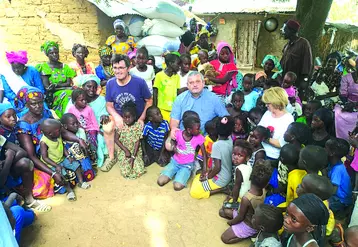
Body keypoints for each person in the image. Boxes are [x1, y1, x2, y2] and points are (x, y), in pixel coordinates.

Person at [16, 86, 87, 196]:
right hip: (44, 159)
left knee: (78, 152)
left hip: (57, 147)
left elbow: (62, 131)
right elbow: (32, 156)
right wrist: (53, 173)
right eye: (33, 104)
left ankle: (80, 178)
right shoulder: (23, 125)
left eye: (40, 102)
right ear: (26, 104)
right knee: (53, 182)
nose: (38, 106)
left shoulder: (46, 113)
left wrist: (79, 139)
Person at [102, 54, 152, 172]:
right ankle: (111, 157)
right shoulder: (110, 83)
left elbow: (149, 101)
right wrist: (117, 117)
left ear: (129, 68)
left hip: (136, 117)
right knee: (107, 127)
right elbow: (109, 105)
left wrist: (142, 117)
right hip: (121, 116)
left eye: (121, 68)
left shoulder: (139, 82)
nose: (118, 71)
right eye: (115, 68)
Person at [0, 103, 52, 212]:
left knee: (28, 164)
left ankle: (29, 199)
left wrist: (8, 159)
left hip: (10, 166)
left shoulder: (15, 128)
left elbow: (22, 152)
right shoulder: (2, 132)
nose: (13, 118)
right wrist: (9, 157)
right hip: (4, 172)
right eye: (8, 116)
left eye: (14, 115)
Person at [220, 162, 272, 244]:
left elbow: (240, 217)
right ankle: (242, 230)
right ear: (266, 183)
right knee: (222, 212)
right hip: (247, 216)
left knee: (224, 238)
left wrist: (230, 223)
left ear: (250, 177)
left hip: (248, 224)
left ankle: (248, 234)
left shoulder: (246, 198)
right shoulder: (264, 190)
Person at [40, 119, 91, 201]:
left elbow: (62, 147)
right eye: (59, 130)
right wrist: (56, 166)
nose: (61, 131)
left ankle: (81, 182)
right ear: (50, 133)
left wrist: (68, 156)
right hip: (52, 163)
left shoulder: (57, 135)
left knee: (76, 165)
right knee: (62, 174)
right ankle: (69, 190)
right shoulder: (44, 142)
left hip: (62, 159)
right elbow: (45, 158)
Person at [170, 71, 229, 136]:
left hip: (206, 139)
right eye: (191, 83)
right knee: (169, 143)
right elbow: (175, 119)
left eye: (197, 81)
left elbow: (225, 117)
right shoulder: (180, 99)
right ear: (187, 85)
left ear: (203, 83)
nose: (195, 85)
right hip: (184, 138)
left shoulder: (214, 98)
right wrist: (174, 128)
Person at [157, 114, 205, 191]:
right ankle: (176, 173)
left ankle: (181, 174)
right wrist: (173, 146)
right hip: (175, 162)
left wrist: (204, 169)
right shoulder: (178, 133)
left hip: (187, 165)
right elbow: (172, 140)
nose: (199, 130)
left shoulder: (199, 138)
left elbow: (204, 154)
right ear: (189, 130)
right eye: (197, 129)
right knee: (160, 182)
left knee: (177, 186)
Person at [190, 116, 234, 199]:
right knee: (198, 177)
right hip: (227, 175)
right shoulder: (230, 139)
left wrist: (207, 177)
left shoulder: (217, 145)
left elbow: (217, 167)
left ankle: (222, 189)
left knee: (194, 192)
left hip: (220, 179)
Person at [36, 41, 76, 118]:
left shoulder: (65, 67)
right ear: (47, 55)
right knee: (68, 96)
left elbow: (68, 83)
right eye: (51, 53)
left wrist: (57, 85)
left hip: (66, 90)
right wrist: (65, 87)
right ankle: (67, 118)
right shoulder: (44, 67)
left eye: (56, 52)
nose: (55, 55)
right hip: (53, 95)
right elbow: (48, 87)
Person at [258, 87, 294, 160]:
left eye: (268, 103)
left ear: (276, 102)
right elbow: (258, 129)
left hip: (273, 157)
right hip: (259, 151)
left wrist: (264, 138)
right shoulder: (267, 113)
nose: (266, 105)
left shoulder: (288, 118)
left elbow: (281, 143)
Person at [280, 19, 313, 100]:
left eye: (285, 29)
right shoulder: (287, 45)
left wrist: (304, 81)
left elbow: (307, 64)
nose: (283, 31)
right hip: (285, 81)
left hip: (296, 82)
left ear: (291, 31)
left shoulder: (303, 43)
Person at [114, 101, 145, 179]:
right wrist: (126, 150)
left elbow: (138, 142)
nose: (127, 119)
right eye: (125, 117)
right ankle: (127, 165)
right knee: (125, 172)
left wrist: (133, 157)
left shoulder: (137, 126)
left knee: (139, 170)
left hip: (135, 152)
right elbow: (116, 139)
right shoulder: (121, 125)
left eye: (129, 117)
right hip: (124, 152)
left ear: (134, 117)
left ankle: (134, 162)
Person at [60, 113, 95, 181]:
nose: (76, 125)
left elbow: (86, 149)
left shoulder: (80, 132)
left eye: (77, 122)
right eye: (73, 124)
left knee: (89, 173)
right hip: (73, 161)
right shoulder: (63, 139)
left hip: (83, 158)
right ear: (65, 126)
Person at [67, 89, 99, 163]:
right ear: (75, 101)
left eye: (85, 100)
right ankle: (84, 158)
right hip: (78, 129)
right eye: (81, 100)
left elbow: (94, 121)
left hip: (90, 129)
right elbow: (69, 121)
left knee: (92, 139)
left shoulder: (89, 109)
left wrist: (96, 130)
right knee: (79, 138)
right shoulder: (71, 109)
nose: (84, 102)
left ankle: (93, 158)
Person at [326, 138, 353, 214]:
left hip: (341, 200)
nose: (324, 150)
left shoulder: (337, 169)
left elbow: (334, 189)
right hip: (339, 198)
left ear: (332, 153)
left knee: (323, 205)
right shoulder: (335, 164)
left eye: (326, 148)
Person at [335, 57, 358, 140]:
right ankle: (340, 138)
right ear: (356, 65)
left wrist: (355, 104)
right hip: (348, 103)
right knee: (338, 113)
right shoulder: (347, 77)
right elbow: (343, 94)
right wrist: (347, 104)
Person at [153, 53, 181, 122]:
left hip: (173, 109)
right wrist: (155, 108)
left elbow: (177, 93)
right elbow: (155, 92)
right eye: (178, 64)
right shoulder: (159, 75)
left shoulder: (177, 77)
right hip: (161, 108)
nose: (179, 67)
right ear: (171, 64)